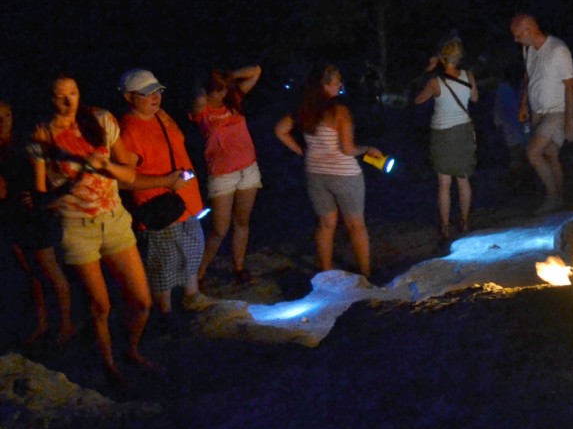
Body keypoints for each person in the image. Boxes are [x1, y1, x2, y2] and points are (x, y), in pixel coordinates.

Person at [28, 75, 153, 384]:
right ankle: (109, 367)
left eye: (73, 92)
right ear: (49, 99)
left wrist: (105, 167)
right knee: (100, 305)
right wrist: (71, 184)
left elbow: (129, 174)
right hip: (76, 227)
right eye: (61, 96)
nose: (69, 101)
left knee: (141, 301)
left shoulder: (99, 120)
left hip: (113, 219)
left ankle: (131, 350)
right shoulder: (41, 135)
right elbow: (41, 198)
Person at [117, 68, 212, 316]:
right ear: (129, 97)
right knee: (163, 263)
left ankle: (192, 296)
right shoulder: (128, 131)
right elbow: (124, 181)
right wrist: (166, 181)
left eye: (157, 90)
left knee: (191, 250)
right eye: (146, 93)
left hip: (185, 200)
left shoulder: (162, 116)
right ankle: (165, 312)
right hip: (160, 206)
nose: (155, 96)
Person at [274, 64, 381, 280]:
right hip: (344, 174)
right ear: (324, 85)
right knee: (356, 225)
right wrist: (368, 149)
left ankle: (326, 272)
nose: (340, 85)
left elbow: (280, 130)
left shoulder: (303, 110)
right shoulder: (339, 111)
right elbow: (347, 148)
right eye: (336, 81)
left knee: (325, 224)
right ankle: (366, 273)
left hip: (315, 173)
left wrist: (302, 151)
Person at [0, 99, 73, 346]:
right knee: (31, 273)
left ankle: (66, 325)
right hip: (11, 216)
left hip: (35, 216)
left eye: (7, 115)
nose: (3, 122)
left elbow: (50, 177)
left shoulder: (24, 144)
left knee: (51, 272)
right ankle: (42, 323)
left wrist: (44, 198)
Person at [189, 64, 262, 285]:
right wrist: (207, 81)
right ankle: (198, 273)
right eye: (217, 90)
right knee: (219, 229)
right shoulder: (202, 111)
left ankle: (238, 267)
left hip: (247, 169)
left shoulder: (234, 101)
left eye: (223, 90)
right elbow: (198, 95)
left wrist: (230, 75)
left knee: (242, 222)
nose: (221, 94)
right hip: (221, 175)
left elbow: (256, 70)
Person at [412, 38, 478, 240]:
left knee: (444, 182)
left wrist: (429, 71)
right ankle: (465, 223)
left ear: (441, 57)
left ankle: (445, 227)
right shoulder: (468, 76)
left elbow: (417, 100)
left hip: (443, 133)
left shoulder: (435, 81)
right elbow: (475, 98)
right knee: (464, 180)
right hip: (464, 131)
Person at [511, 13, 573, 214]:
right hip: (538, 111)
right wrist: (524, 105)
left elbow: (571, 86)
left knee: (533, 152)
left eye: (518, 35)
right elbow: (528, 77)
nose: (516, 39)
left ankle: (552, 197)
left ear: (529, 30)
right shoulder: (528, 49)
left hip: (556, 111)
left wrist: (570, 121)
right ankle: (560, 199)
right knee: (550, 154)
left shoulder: (558, 50)